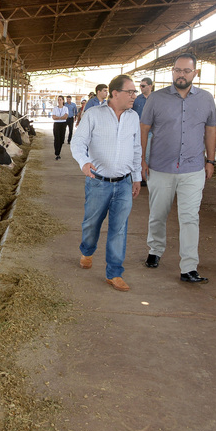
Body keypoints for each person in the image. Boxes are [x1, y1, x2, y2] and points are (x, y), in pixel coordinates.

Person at [140, 53, 216, 284]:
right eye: (177, 70)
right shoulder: (156, 98)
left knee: (190, 218)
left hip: (193, 169)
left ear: (195, 73)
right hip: (161, 167)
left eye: (186, 71)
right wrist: (142, 160)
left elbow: (211, 130)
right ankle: (155, 250)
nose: (181, 75)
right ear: (172, 72)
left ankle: (189, 267)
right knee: (158, 213)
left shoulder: (206, 98)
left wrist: (210, 161)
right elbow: (144, 129)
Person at [71, 75, 142, 292]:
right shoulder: (93, 114)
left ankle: (114, 273)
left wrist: (136, 177)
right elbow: (78, 142)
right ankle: (87, 250)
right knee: (92, 224)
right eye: (130, 92)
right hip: (98, 182)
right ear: (115, 93)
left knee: (119, 229)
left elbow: (136, 148)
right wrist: (84, 162)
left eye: (135, 92)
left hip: (124, 183)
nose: (134, 96)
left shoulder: (133, 117)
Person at [51, 95, 69, 160]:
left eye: (60, 100)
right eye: (58, 100)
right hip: (56, 124)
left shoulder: (65, 108)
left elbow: (66, 116)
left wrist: (58, 117)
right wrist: (61, 117)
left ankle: (59, 151)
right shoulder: (55, 108)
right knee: (57, 138)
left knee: (61, 139)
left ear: (63, 101)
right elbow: (53, 117)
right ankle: (57, 153)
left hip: (63, 124)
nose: (59, 101)